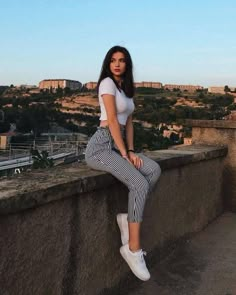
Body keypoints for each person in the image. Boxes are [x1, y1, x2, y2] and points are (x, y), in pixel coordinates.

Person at [85, 45, 161, 281]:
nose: (117, 64)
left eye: (122, 60)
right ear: (108, 64)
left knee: (153, 170)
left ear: (127, 65)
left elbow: (128, 123)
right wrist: (124, 155)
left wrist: (130, 150)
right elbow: (111, 121)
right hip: (101, 147)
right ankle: (133, 249)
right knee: (139, 183)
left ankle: (125, 218)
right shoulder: (107, 83)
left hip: (119, 146)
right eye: (113, 60)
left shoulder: (126, 89)